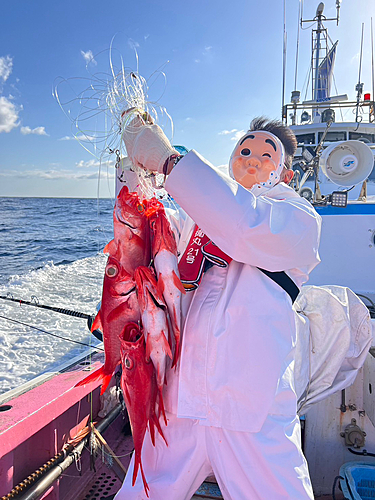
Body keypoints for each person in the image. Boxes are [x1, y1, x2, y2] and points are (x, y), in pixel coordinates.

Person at [115, 116, 321, 500]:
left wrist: (170, 162)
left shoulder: (298, 221)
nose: (253, 159)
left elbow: (242, 225)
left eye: (265, 153)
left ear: (287, 175)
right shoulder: (194, 223)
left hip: (250, 410)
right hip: (179, 402)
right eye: (244, 151)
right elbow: (145, 232)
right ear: (228, 162)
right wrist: (134, 170)